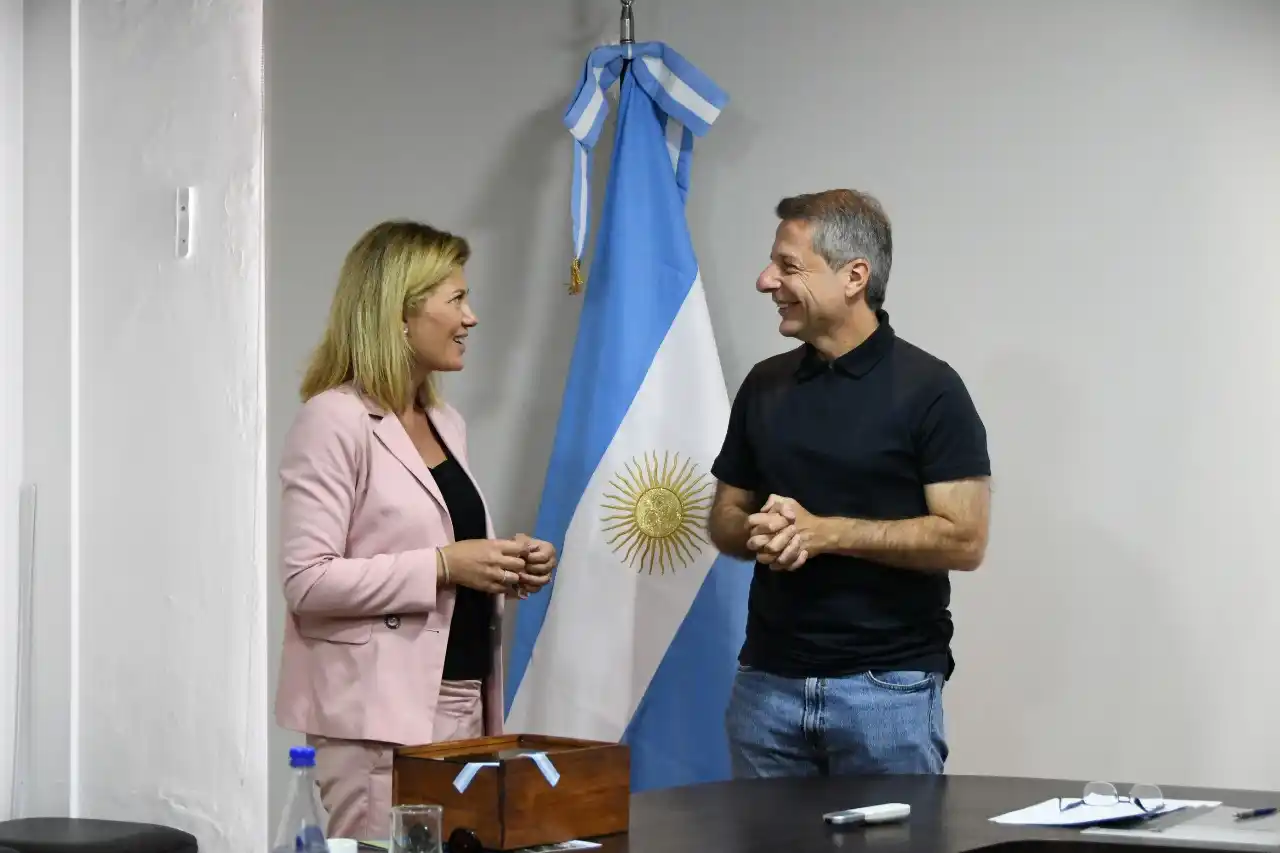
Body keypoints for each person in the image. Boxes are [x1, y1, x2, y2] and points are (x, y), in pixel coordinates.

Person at [273, 220, 557, 838]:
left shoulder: (443, 420)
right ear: (398, 316)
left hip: (463, 700)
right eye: (456, 299)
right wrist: (445, 565)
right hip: (377, 720)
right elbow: (307, 580)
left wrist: (506, 565)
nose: (471, 317)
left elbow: (433, 545)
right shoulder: (332, 420)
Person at [707, 189, 991, 779]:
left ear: (854, 276)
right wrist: (760, 533)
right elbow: (724, 518)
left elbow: (964, 540)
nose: (766, 281)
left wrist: (824, 534)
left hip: (887, 689)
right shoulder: (764, 385)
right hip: (766, 685)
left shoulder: (931, 389)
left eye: (789, 266)